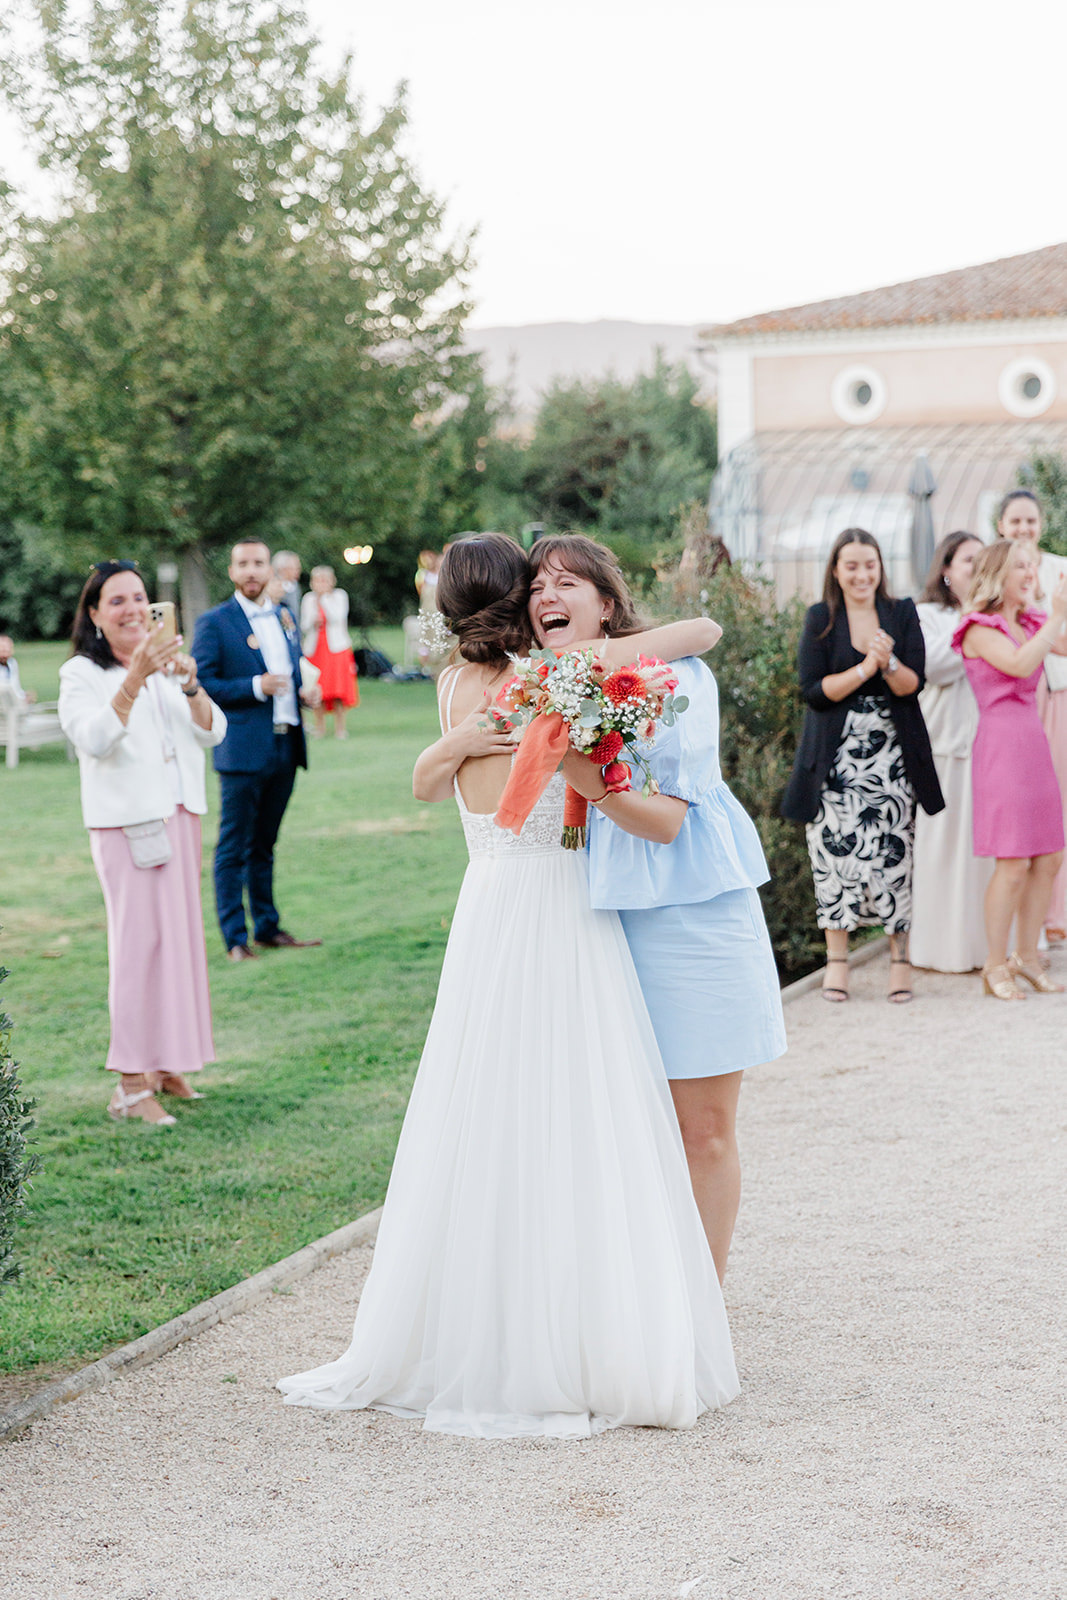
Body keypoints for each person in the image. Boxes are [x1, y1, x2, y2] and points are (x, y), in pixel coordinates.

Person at [278, 534, 739, 1437]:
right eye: (537, 585)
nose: (546, 598)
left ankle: (476, 1324)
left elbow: (423, 786)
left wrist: (450, 745)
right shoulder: (552, 676)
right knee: (585, 1114)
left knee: (482, 1110)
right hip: (562, 907)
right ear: (516, 599)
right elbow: (700, 629)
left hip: (485, 913)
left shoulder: (454, 688)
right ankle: (588, 1327)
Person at [525, 535, 786, 1282]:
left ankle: (703, 1299)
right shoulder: (539, 687)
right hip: (597, 924)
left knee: (701, 1131)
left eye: (567, 582)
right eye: (537, 585)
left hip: (692, 916)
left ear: (605, 604)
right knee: (620, 1129)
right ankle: (637, 1297)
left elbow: (665, 822)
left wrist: (582, 769)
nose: (548, 595)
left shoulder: (675, 678)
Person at [58, 561, 227, 1125]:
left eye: (139, 597)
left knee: (176, 949)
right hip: (128, 827)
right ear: (95, 614)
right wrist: (135, 679)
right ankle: (130, 1085)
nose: (132, 609)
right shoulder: (82, 674)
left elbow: (211, 731)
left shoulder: (166, 668)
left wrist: (188, 681)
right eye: (117, 600)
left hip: (179, 818)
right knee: (137, 953)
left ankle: (165, 1064)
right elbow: (95, 740)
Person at [781, 528, 944, 1004]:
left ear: (880, 567)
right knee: (833, 859)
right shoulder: (820, 618)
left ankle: (899, 959)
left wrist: (887, 662)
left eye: (869, 564)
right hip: (834, 764)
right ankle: (838, 963)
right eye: (851, 565)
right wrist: (864, 669)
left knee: (895, 854)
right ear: (836, 569)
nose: (861, 574)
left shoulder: (901, 612)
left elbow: (913, 684)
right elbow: (812, 691)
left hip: (892, 760)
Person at [192, 538, 322, 962]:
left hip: (286, 744)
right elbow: (202, 684)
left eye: (258, 563)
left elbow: (294, 665)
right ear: (231, 571)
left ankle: (267, 926)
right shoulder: (215, 622)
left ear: (270, 570)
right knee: (233, 848)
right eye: (243, 563)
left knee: (265, 843)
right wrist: (254, 687)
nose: (251, 571)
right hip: (241, 751)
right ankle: (235, 937)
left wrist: (306, 692)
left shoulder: (284, 615)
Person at [952, 539, 1067, 999]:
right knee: (1014, 861)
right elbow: (1020, 665)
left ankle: (1028, 958)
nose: (1029, 572)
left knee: (1049, 857)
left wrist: (1056, 614)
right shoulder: (977, 627)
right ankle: (993, 964)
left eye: (1032, 565)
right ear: (998, 574)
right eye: (1020, 565)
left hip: (1033, 744)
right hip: (1001, 745)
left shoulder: (1033, 622)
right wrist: (1056, 615)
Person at [911, 532, 991, 973]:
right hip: (945, 747)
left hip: (990, 746)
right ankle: (941, 950)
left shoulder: (995, 618)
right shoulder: (927, 616)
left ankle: (987, 947)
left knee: (985, 853)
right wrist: (973, 615)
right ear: (946, 568)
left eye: (983, 562)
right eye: (968, 561)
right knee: (944, 853)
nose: (977, 569)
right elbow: (935, 666)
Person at [994, 489, 1067, 942]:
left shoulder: (1060, 568)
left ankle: (1056, 914)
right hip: (1020, 699)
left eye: (1031, 521)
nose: (1023, 528)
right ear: (1001, 525)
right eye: (1015, 521)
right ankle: (1030, 925)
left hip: (1058, 689)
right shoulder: (998, 574)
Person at [299, 566, 358, 739]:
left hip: (336, 648)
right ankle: (320, 727)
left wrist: (323, 598)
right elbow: (304, 625)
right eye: (318, 580)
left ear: (332, 581)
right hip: (315, 648)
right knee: (317, 688)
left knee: (338, 689)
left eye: (325, 580)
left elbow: (337, 616)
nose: (321, 584)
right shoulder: (308, 599)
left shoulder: (339, 596)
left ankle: (341, 728)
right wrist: (312, 619)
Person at [271, 550, 302, 628]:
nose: (298, 571)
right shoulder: (271, 587)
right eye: (296, 568)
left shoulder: (295, 586)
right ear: (283, 569)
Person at [0, 636, 34, 703]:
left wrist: (24, 696)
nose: (5, 655)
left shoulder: (12, 663)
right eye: (3, 651)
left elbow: (15, 686)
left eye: (8, 651)